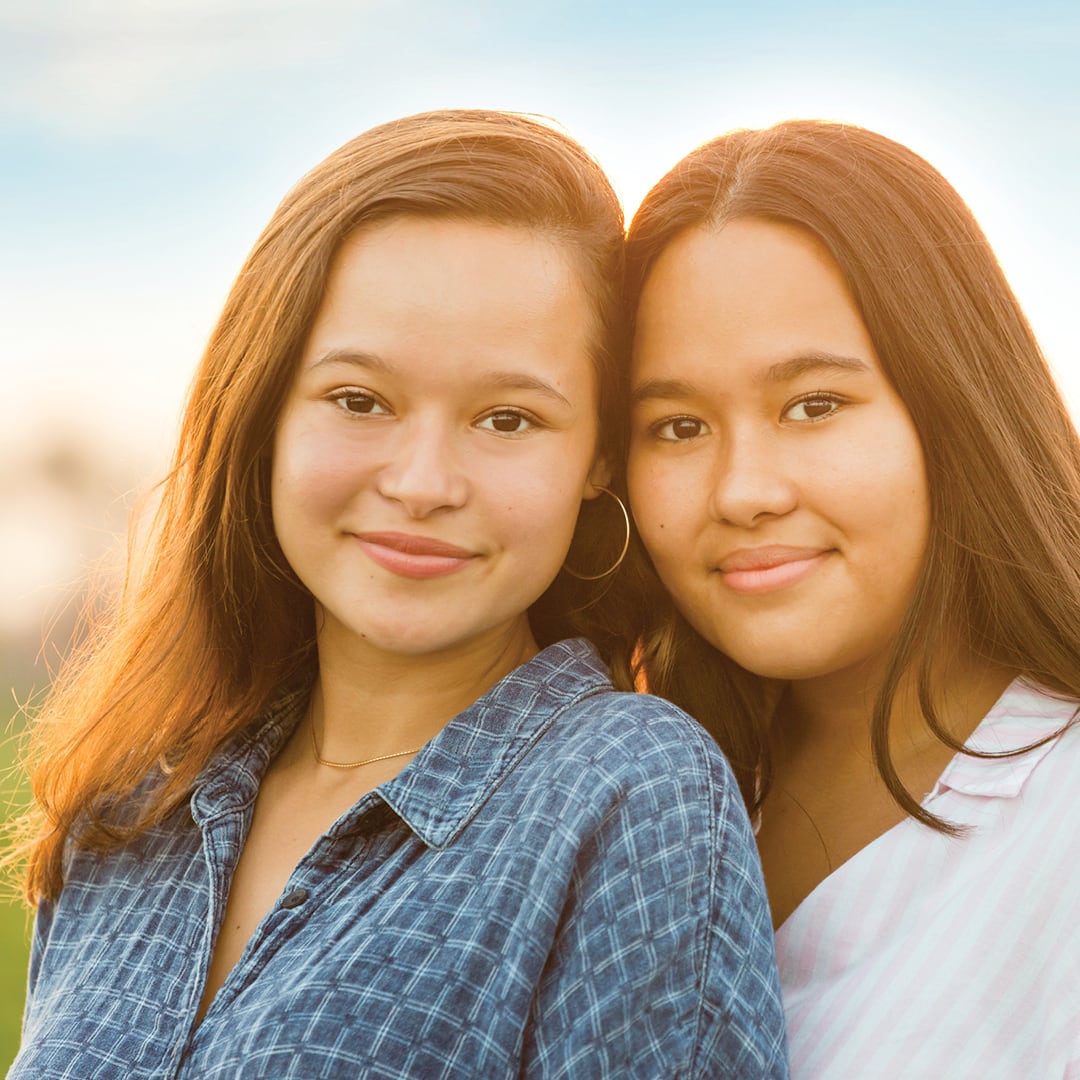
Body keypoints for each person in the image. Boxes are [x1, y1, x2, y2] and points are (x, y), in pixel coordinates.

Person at [6, 110, 789, 1079]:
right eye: (359, 400)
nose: (423, 482)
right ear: (264, 412)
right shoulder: (129, 808)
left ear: (596, 457)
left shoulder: (626, 793)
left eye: (507, 418)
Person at [619, 119, 1080, 1077]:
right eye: (677, 425)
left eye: (813, 405)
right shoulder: (631, 806)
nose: (744, 490)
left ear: (951, 404)